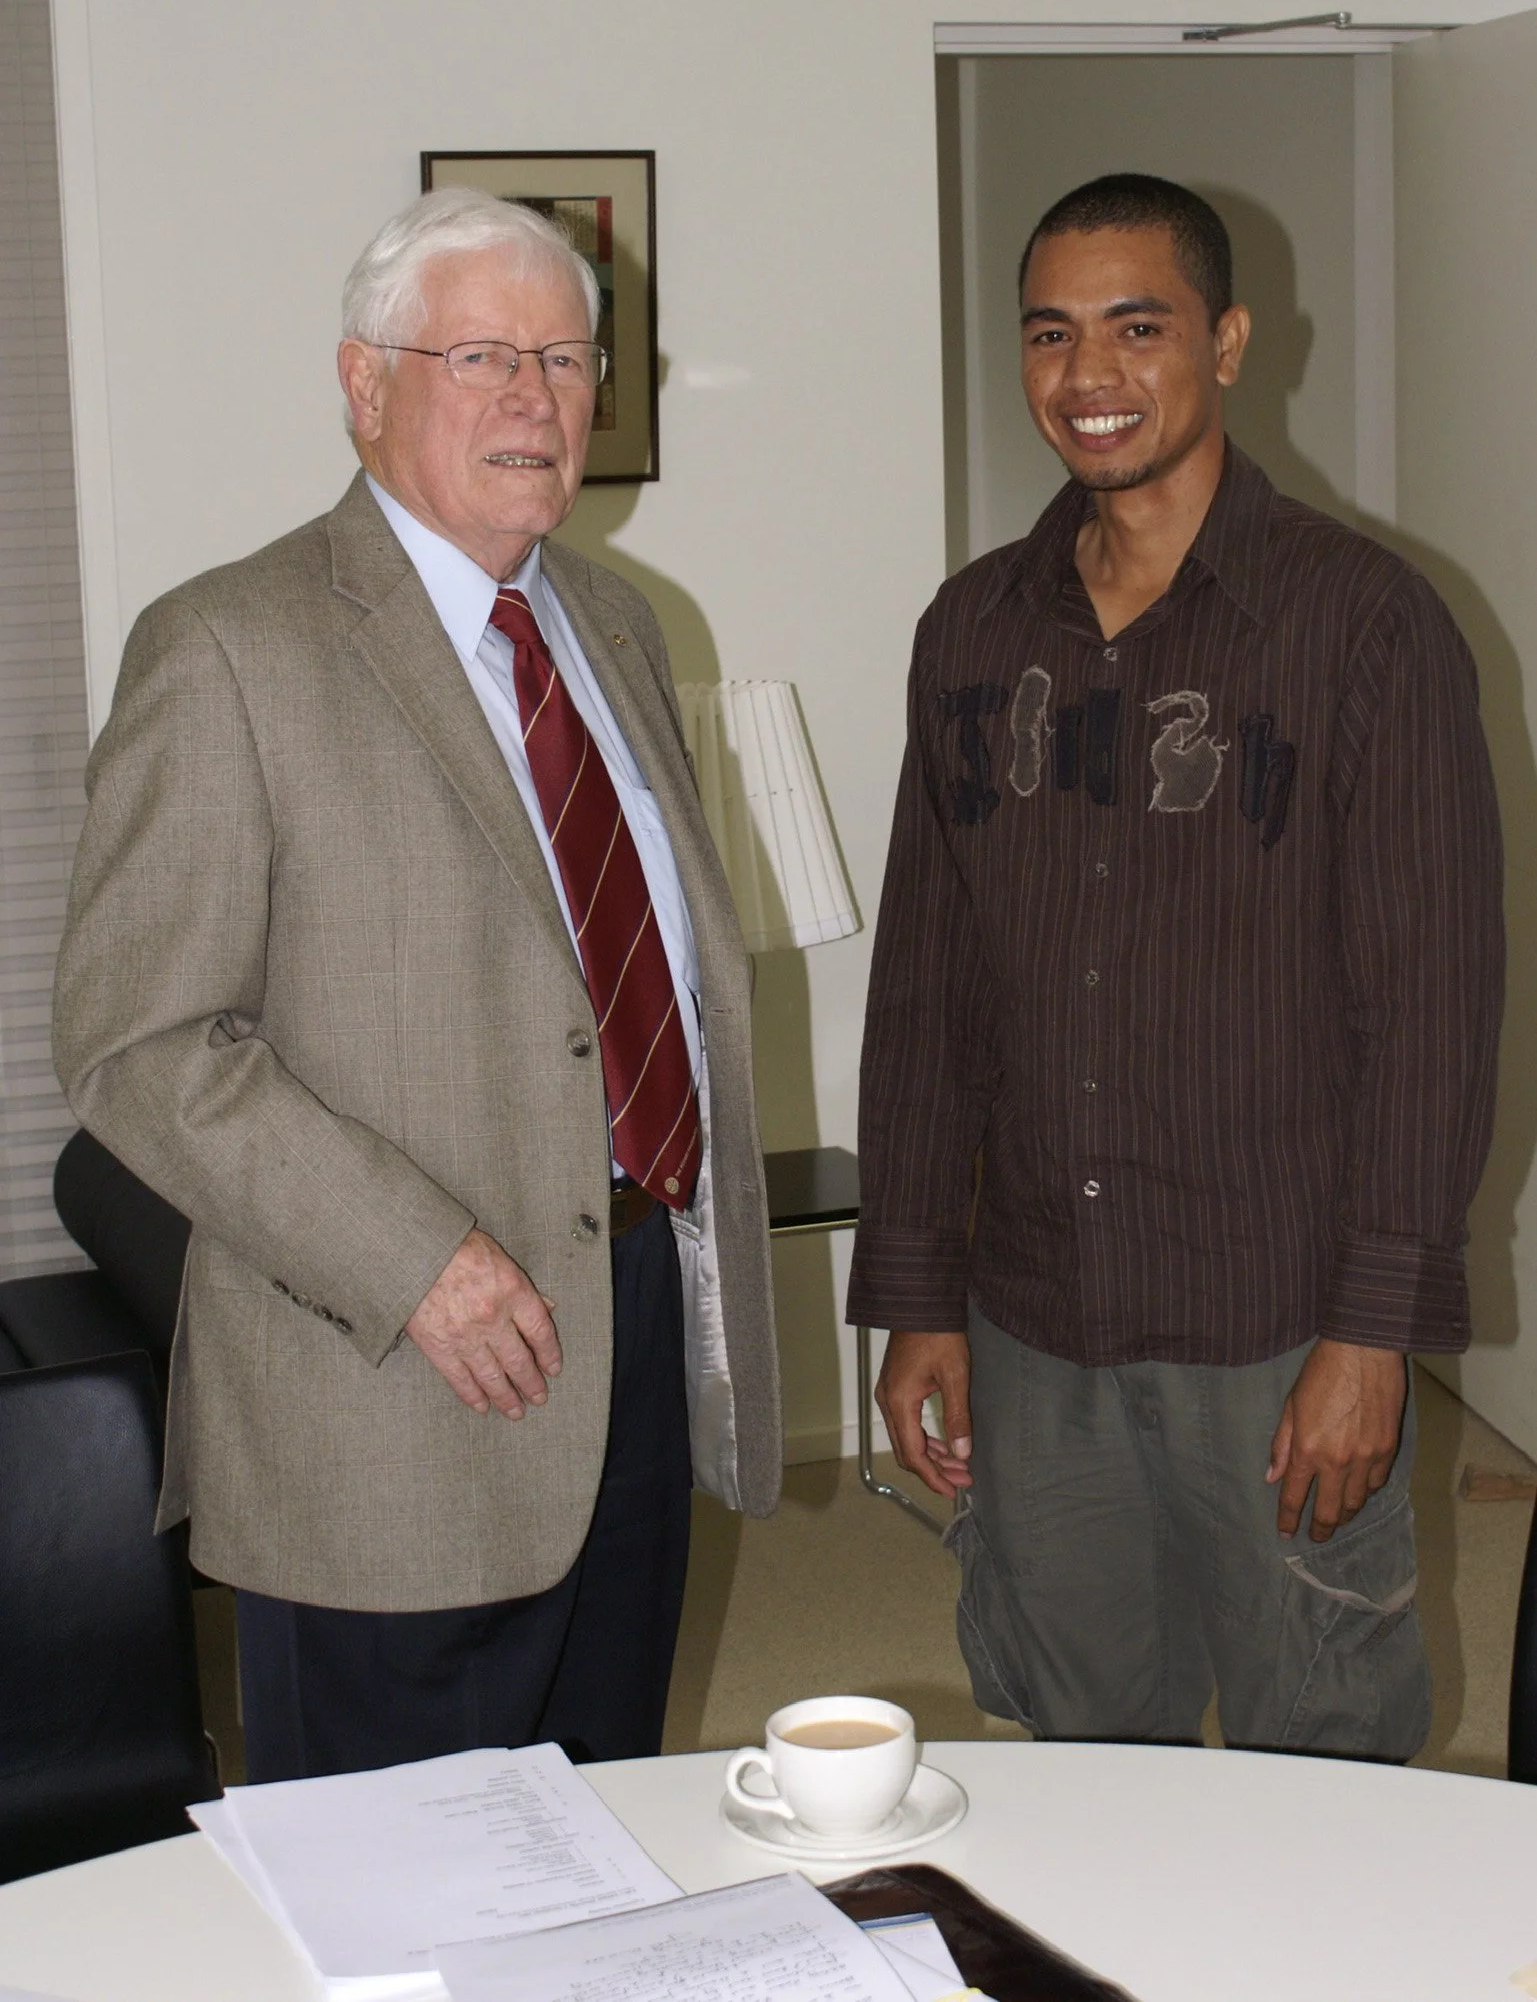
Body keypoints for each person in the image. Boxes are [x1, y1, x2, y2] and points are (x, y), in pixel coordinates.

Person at [53, 189, 781, 1780]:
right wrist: (414, 1261)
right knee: (409, 1886)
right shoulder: (231, 647)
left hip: (630, 1323)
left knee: (608, 1822)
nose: (537, 394)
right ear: (363, 382)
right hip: (390, 1374)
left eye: (570, 357)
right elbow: (137, 1039)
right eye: (480, 354)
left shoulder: (620, 626)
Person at [849, 173, 1502, 1758]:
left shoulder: (1365, 627)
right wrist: (918, 1292)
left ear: (1224, 340)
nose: (1090, 376)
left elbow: (1432, 1007)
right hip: (1034, 1319)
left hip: (1274, 1317)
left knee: (1323, 1749)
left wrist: (1373, 1332)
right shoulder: (970, 630)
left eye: (1137, 328)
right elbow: (928, 987)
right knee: (1079, 1752)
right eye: (1053, 333)